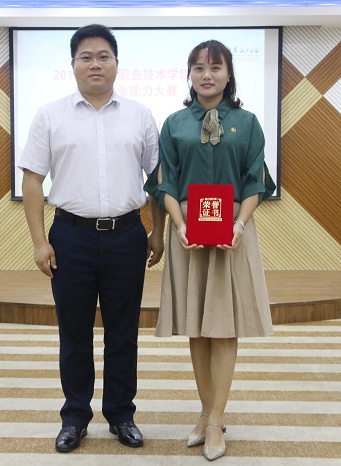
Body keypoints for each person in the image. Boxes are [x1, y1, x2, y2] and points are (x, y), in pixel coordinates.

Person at [17, 24, 165, 453]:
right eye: (86, 57)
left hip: (127, 236)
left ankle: (121, 414)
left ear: (117, 64)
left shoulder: (140, 115)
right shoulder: (50, 115)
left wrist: (157, 231)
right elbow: (32, 181)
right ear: (73, 65)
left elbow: (157, 180)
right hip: (70, 237)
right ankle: (75, 417)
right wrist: (38, 242)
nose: (95, 63)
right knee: (74, 333)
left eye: (103, 56)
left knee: (123, 332)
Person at [146, 40, 273, 461]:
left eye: (215, 67)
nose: (206, 75)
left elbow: (255, 182)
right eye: (198, 68)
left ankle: (217, 419)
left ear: (229, 74)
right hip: (187, 232)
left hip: (234, 231)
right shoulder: (175, 123)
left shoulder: (248, 122)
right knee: (197, 327)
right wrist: (179, 227)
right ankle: (205, 412)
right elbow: (165, 182)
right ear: (190, 74)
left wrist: (239, 224)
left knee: (224, 325)